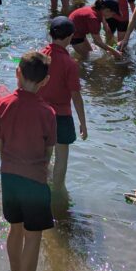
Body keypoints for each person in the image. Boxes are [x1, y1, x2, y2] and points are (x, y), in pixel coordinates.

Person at [0, 51, 56, 271]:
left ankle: (15, 270)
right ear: (45, 81)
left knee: (14, 229)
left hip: (9, 178)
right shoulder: (48, 112)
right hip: (35, 182)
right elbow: (48, 152)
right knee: (33, 236)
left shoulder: (1, 105)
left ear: (18, 73)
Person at [39, 17, 87, 188]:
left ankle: (42, 184)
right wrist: (83, 122)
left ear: (51, 34)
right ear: (70, 37)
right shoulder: (70, 64)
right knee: (61, 156)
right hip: (61, 116)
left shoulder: (40, 57)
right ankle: (59, 191)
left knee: (44, 153)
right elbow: (76, 96)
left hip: (40, 114)